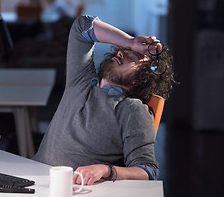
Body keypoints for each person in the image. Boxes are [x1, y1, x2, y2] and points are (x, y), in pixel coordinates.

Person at [33, 15, 175, 185]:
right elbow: (82, 26)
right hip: (34, 178)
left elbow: (147, 170)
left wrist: (105, 169)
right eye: (124, 49)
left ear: (141, 79)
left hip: (75, 189)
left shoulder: (132, 109)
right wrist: (130, 42)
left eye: (133, 57)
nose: (122, 52)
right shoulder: (81, 80)